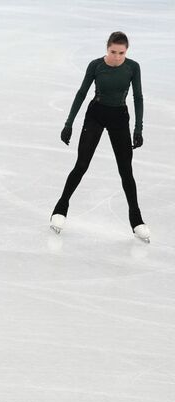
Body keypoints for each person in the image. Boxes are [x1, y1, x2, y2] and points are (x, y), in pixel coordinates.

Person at [50, 31, 150, 243]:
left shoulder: (133, 68)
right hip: (96, 114)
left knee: (126, 171)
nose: (116, 57)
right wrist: (68, 124)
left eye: (121, 53)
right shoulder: (96, 65)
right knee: (82, 165)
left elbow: (138, 97)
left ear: (126, 51)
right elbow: (81, 93)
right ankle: (60, 209)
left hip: (119, 117)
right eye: (113, 52)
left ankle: (137, 220)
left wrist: (138, 128)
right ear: (107, 48)